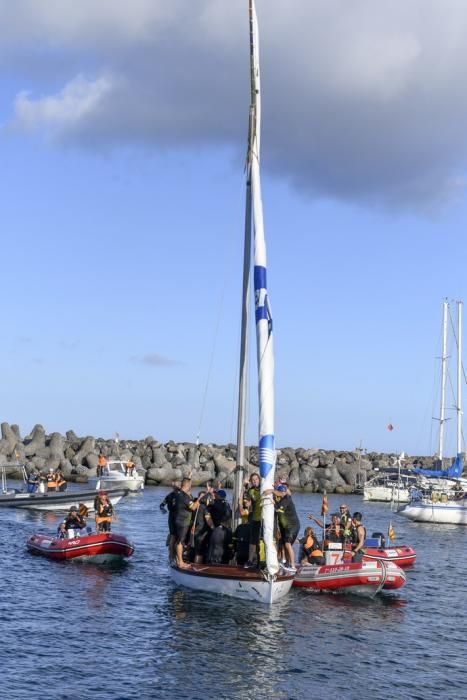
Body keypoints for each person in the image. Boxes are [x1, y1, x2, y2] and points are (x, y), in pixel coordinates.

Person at [173, 478, 199, 569]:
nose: (191, 487)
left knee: (178, 541)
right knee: (180, 542)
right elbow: (193, 507)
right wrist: (199, 500)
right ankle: (180, 562)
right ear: (187, 486)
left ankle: (178, 560)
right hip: (183, 521)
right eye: (190, 485)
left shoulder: (177, 494)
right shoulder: (184, 496)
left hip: (177, 520)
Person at [274, 484, 300, 572]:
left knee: (287, 544)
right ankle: (287, 563)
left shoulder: (287, 499)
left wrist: (271, 491)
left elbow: (279, 510)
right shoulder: (282, 500)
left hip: (291, 526)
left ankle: (292, 565)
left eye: (280, 492)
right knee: (285, 544)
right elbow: (277, 506)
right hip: (287, 526)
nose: (277, 494)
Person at [206, 489, 233, 564]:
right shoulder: (227, 504)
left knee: (214, 550)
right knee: (226, 549)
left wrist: (209, 494)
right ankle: (225, 564)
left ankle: (212, 565)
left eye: (216, 494)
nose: (215, 495)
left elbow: (207, 509)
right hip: (227, 530)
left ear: (218, 496)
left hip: (217, 530)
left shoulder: (215, 503)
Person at [160, 479, 182, 562]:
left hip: (171, 517)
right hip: (177, 517)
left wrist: (164, 511)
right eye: (179, 485)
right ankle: (173, 555)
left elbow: (161, 505)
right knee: (176, 536)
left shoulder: (169, 495)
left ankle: (170, 556)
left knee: (173, 536)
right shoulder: (180, 495)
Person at [246, 473, 262, 567]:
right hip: (255, 519)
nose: (254, 481)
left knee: (264, 540)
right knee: (253, 540)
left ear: (259, 480)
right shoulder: (251, 491)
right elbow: (248, 502)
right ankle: (250, 560)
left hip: (264, 518)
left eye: (256, 479)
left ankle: (263, 560)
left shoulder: (264, 487)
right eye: (253, 480)